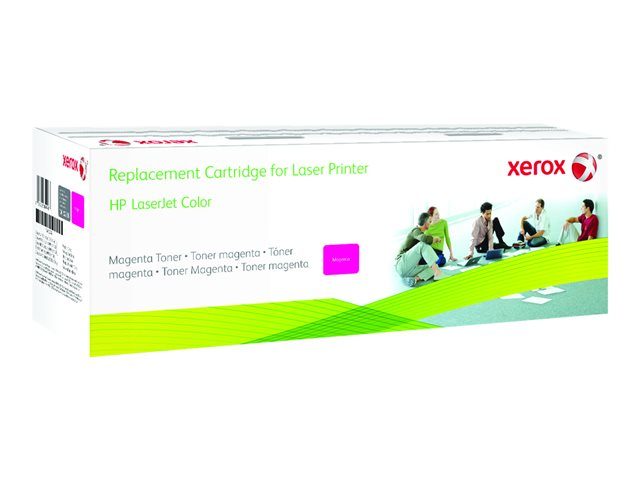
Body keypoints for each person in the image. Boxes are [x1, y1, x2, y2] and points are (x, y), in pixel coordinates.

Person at [396, 212, 445, 287]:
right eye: (430, 222)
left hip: (409, 270)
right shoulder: (415, 231)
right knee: (423, 244)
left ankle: (414, 279)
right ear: (425, 223)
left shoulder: (421, 234)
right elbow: (424, 239)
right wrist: (435, 239)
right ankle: (437, 273)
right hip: (401, 264)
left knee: (434, 266)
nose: (431, 224)